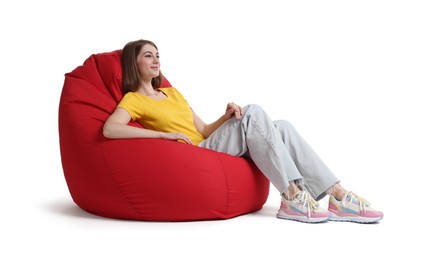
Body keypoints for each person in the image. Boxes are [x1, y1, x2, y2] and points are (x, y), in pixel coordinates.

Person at [103, 39, 383, 223]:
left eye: (158, 55)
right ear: (133, 63)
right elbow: (110, 129)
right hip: (193, 155)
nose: (156, 60)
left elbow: (203, 129)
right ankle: (291, 195)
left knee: (281, 126)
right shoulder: (134, 100)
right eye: (148, 55)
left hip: (208, 145)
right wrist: (163, 136)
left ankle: (336, 194)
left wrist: (226, 118)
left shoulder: (172, 94)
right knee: (254, 111)